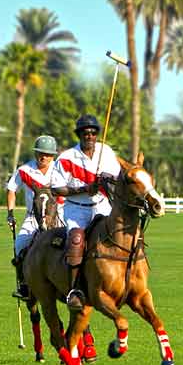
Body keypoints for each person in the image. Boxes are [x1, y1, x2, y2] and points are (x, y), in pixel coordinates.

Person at [44, 114, 119, 310]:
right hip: (76, 210)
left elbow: (118, 179)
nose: (90, 136)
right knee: (77, 240)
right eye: (85, 133)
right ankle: (75, 290)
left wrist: (106, 180)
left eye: (93, 133)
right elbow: (57, 189)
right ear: (79, 135)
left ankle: (126, 278)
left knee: (120, 235)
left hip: (103, 205)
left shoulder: (107, 152)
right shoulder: (66, 158)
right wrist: (84, 189)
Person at [6, 135, 60, 299]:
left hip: (59, 213)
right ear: (35, 154)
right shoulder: (24, 170)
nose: (43, 157)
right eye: (40, 153)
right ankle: (24, 285)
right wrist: (10, 213)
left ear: (53, 156)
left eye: (47, 154)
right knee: (20, 244)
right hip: (33, 216)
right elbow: (11, 190)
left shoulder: (60, 169)